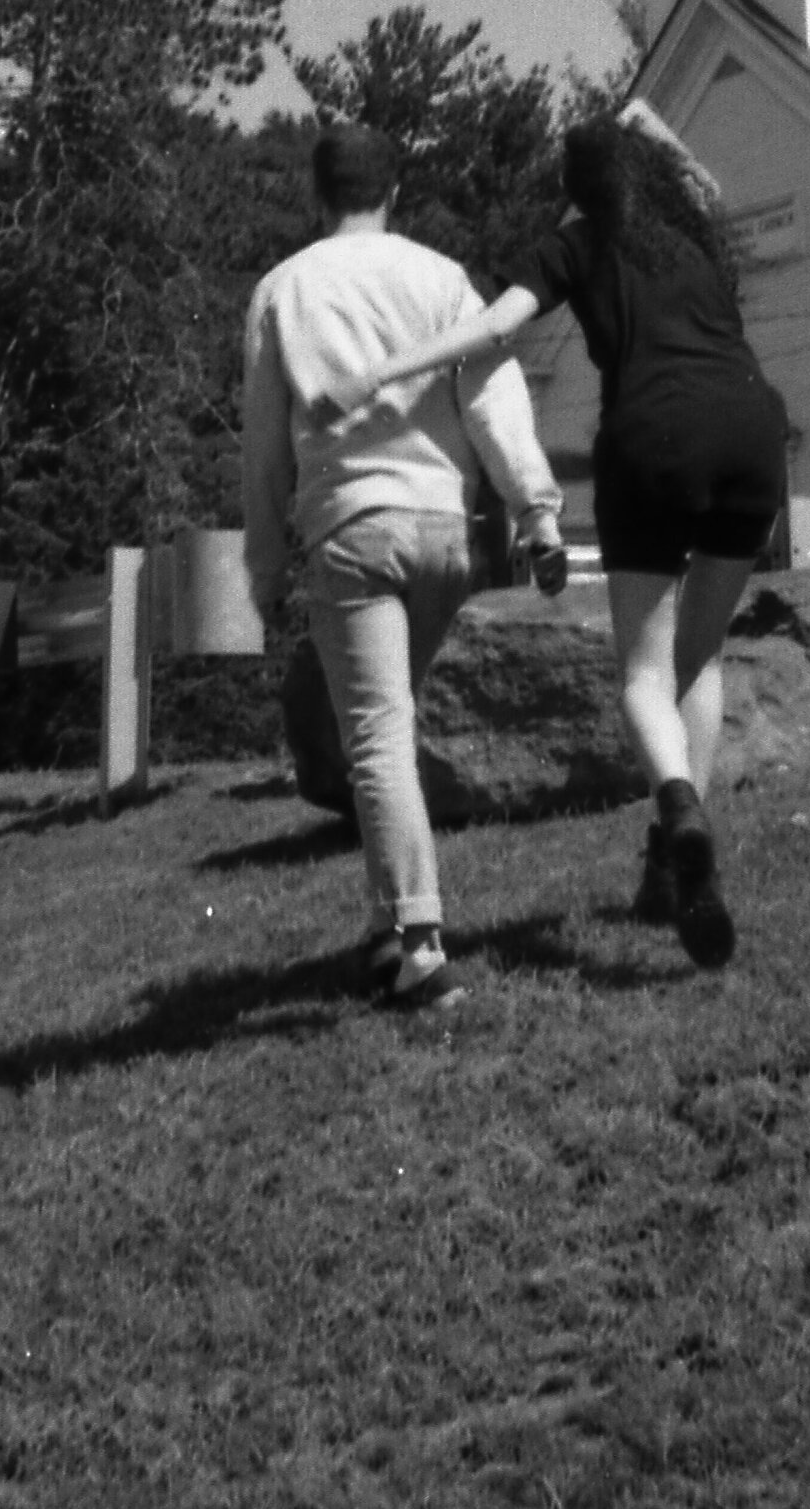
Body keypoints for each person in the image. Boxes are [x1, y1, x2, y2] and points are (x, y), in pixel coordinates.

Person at [319, 112, 788, 969]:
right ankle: (670, 865)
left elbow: (496, 328)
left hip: (654, 437)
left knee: (643, 676)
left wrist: (386, 370)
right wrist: (653, 125)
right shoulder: (692, 233)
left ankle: (681, 808)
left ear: (576, 192)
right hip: (754, 428)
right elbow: (702, 182)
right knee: (703, 658)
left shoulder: (575, 244)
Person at [242, 118, 568, 1014]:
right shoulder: (442, 278)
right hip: (443, 532)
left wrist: (264, 571)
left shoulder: (284, 289)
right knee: (394, 729)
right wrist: (535, 509)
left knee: (377, 741)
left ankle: (420, 947)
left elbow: (265, 450)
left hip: (351, 532)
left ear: (317, 196)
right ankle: (390, 929)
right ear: (394, 194)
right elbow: (495, 403)